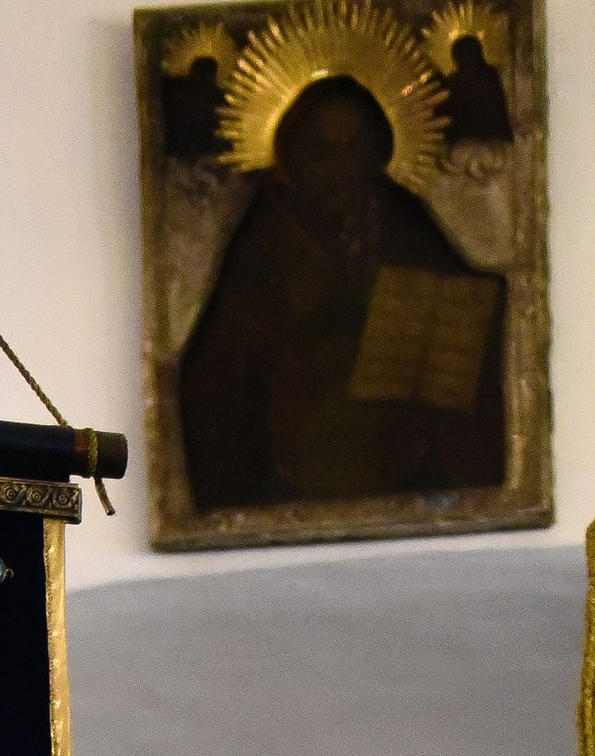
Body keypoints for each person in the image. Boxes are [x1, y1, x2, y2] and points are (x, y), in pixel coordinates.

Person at [178, 76, 506, 514]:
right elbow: (221, 367)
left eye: (356, 148)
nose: (342, 168)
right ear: (291, 158)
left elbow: (462, 305)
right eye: (322, 152)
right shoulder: (266, 231)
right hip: (293, 456)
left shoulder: (398, 215)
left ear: (378, 153)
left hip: (397, 454)